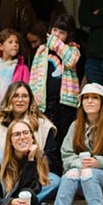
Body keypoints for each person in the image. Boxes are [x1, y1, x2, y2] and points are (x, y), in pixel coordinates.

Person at [0, 81, 61, 204]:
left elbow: (52, 160)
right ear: (9, 99)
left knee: (54, 180)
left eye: (24, 96)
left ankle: (20, 203)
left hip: (33, 175)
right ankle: (24, 204)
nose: (20, 100)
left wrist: (34, 157)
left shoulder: (43, 125)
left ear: (30, 100)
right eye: (15, 96)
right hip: (4, 176)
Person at [29, 14, 81, 147]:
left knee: (64, 136)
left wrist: (57, 44)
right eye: (54, 30)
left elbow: (70, 61)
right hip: (46, 102)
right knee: (48, 136)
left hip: (65, 103)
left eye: (61, 32)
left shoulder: (73, 49)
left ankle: (63, 166)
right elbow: (34, 77)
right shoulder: (42, 50)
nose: (56, 35)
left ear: (68, 35)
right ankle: (51, 166)